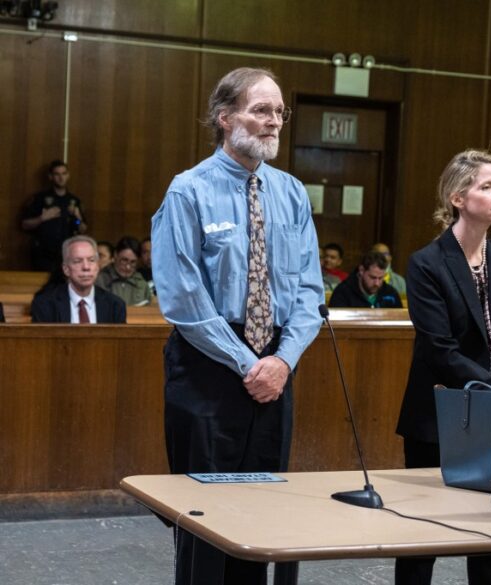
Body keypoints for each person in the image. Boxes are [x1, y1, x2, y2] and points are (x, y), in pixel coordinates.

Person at [151, 67, 323, 585]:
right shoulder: (188, 191)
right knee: (206, 521)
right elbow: (183, 299)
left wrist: (283, 360)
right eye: (260, 110)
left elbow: (311, 293)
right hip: (209, 367)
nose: (273, 123)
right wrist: (252, 365)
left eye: (279, 112)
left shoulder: (292, 193)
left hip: (275, 369)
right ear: (225, 118)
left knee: (261, 517)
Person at [395, 150, 491, 585]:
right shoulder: (427, 262)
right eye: (487, 187)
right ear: (457, 196)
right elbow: (439, 348)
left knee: (489, 532)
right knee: (422, 532)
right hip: (439, 411)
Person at [31, 235, 126, 323]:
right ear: (66, 269)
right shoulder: (44, 305)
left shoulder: (115, 305)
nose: (86, 267)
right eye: (77, 261)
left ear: (97, 267)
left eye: (91, 260)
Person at [22, 160, 87, 272]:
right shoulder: (40, 199)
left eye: (64, 173)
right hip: (43, 254)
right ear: (50, 176)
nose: (61, 178)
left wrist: (77, 218)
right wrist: (42, 218)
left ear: (68, 175)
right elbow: (25, 225)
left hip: (66, 254)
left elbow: (81, 229)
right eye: (57, 174)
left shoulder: (74, 201)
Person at [328, 251, 403, 308]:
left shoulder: (391, 293)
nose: (377, 283)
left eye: (380, 278)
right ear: (361, 270)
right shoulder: (343, 292)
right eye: (372, 277)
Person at [96, 236, 152, 306]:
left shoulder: (141, 284)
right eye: (124, 260)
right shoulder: (100, 280)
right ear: (115, 255)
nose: (128, 267)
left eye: (133, 262)